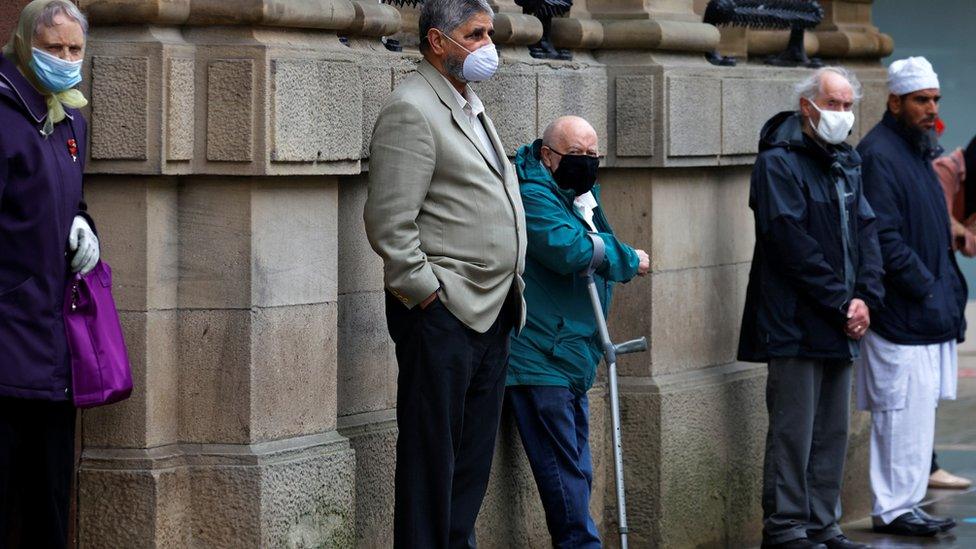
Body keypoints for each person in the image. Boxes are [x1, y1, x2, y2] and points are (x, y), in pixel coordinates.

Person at [362, 0, 526, 546]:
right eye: (475, 34)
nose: (487, 44)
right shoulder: (411, 107)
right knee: (431, 465)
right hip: (446, 314)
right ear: (438, 40)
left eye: (488, 33)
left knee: (469, 467)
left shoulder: (468, 102)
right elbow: (389, 222)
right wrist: (429, 295)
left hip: (493, 311)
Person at [738, 66, 884, 549]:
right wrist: (843, 301)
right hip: (795, 322)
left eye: (848, 105)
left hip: (841, 320)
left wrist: (866, 297)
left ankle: (825, 523)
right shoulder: (778, 163)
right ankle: (786, 528)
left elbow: (866, 232)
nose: (842, 114)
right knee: (793, 433)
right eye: (834, 104)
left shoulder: (848, 161)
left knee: (832, 433)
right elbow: (788, 242)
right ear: (808, 106)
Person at [506, 115, 649, 548]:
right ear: (549, 156)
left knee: (578, 470)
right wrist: (626, 258)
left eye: (594, 155)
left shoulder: (579, 196)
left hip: (571, 353)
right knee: (564, 473)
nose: (587, 164)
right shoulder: (533, 194)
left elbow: (593, 243)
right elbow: (572, 249)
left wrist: (605, 249)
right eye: (577, 155)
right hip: (539, 356)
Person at [0, 1, 100, 547]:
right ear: (24, 45)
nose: (66, 60)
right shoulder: (4, 113)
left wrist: (83, 224)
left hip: (52, 348)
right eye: (54, 48)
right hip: (7, 342)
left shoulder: (69, 118)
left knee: (48, 507)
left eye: (75, 49)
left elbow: (71, 198)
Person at [856, 56, 966, 537]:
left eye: (935, 100)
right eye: (922, 100)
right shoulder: (879, 153)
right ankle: (894, 508)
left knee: (920, 415)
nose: (931, 108)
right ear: (895, 101)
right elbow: (885, 237)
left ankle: (908, 502)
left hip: (926, 310)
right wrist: (926, 286)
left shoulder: (918, 150)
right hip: (902, 313)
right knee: (899, 415)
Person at [929, 135, 976, 491]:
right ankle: (925, 466)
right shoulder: (945, 171)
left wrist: (959, 231)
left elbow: (968, 241)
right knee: (922, 386)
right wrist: (958, 230)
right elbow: (939, 227)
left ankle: (926, 464)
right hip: (925, 284)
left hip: (943, 285)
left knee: (934, 385)